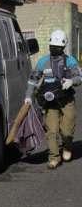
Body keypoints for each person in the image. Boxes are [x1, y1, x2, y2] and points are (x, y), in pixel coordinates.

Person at [24, 29, 82, 169]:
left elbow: (79, 77)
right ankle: (54, 157)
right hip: (49, 101)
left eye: (58, 47)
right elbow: (33, 80)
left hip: (66, 99)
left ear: (63, 47)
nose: (55, 49)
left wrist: (71, 81)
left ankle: (67, 146)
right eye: (52, 47)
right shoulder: (43, 62)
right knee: (52, 130)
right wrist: (28, 96)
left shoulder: (70, 61)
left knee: (67, 130)